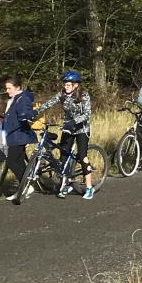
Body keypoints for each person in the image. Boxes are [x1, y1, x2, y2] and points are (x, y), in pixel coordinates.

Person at [35, 70, 96, 200]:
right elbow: (49, 103)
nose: (66, 87)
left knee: (82, 156)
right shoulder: (62, 94)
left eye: (68, 84)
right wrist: (35, 112)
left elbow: (87, 114)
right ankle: (67, 183)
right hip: (68, 128)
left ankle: (89, 187)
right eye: (65, 84)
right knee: (63, 156)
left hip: (81, 129)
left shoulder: (84, 95)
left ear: (76, 85)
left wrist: (74, 121)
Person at [0, 77, 35, 200]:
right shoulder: (15, 99)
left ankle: (26, 186)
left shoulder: (22, 99)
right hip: (13, 135)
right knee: (19, 162)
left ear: (18, 88)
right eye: (6, 88)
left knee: (11, 161)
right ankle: (24, 188)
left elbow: (24, 116)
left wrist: (11, 124)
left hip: (19, 136)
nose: (7, 91)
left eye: (9, 88)